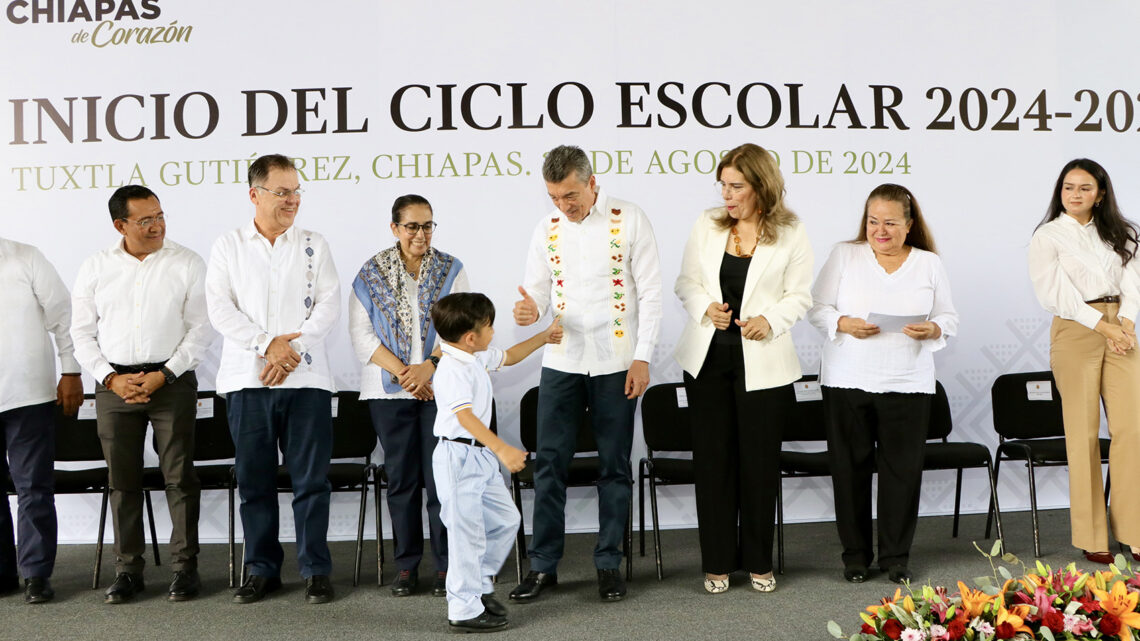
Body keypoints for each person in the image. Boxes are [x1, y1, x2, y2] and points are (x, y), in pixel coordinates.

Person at [510, 145, 662, 603]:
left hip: (617, 359)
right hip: (562, 360)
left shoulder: (630, 218)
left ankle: (609, 563)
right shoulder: (547, 228)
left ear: (592, 183)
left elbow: (652, 294)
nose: (564, 205)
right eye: (555, 197)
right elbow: (535, 290)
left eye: (570, 195)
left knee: (614, 465)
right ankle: (542, 566)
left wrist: (643, 357)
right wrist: (528, 309)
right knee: (550, 464)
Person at [673, 143, 813, 594]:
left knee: (758, 465)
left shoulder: (791, 231)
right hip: (707, 360)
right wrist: (705, 307)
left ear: (761, 186)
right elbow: (686, 282)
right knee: (713, 464)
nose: (727, 196)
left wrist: (769, 320)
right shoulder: (707, 225)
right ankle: (716, 562)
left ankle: (758, 560)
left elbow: (800, 296)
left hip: (765, 362)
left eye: (736, 187)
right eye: (723, 186)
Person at [205, 154, 341, 604]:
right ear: (255, 195)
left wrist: (291, 351)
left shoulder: (314, 243)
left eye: (296, 191)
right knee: (255, 482)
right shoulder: (228, 245)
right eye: (282, 192)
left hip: (307, 381)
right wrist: (268, 344)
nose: (292, 200)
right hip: (248, 381)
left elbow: (328, 306)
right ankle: (262, 569)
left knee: (311, 482)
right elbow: (220, 309)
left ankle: (315, 569)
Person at [807, 183, 957, 584]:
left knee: (901, 473)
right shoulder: (845, 255)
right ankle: (855, 556)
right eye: (874, 221)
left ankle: (895, 557)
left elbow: (949, 317)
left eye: (890, 222)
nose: (880, 230)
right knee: (849, 469)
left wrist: (933, 328)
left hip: (908, 382)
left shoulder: (928, 263)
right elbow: (817, 307)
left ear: (909, 225)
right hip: (847, 379)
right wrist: (842, 323)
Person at [71, 185, 214, 603]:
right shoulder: (96, 267)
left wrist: (165, 374)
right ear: (121, 225)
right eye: (146, 219)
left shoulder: (187, 262)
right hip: (113, 384)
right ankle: (128, 570)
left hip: (172, 381)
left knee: (180, 476)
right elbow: (81, 333)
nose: (158, 225)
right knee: (123, 480)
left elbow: (200, 330)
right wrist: (110, 378)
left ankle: (185, 568)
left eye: (160, 215)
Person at [349, 194, 468, 597]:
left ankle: (445, 567)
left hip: (439, 388)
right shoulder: (370, 273)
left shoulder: (452, 269)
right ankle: (406, 567)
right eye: (413, 226)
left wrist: (428, 367)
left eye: (428, 225)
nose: (421, 234)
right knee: (401, 482)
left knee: (441, 484)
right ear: (395, 228)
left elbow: (462, 330)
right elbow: (361, 336)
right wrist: (404, 372)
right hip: (389, 393)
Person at [1028, 158, 1140, 565]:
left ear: (1101, 192)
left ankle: (1134, 530)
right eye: (1068, 187)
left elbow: (1133, 280)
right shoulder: (1049, 235)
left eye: (1084, 188)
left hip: (1122, 329)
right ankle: (1093, 535)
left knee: (1133, 429)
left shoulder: (1123, 232)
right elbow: (1053, 293)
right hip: (1076, 329)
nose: (1075, 195)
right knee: (1084, 433)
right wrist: (1104, 327)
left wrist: (1125, 324)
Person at [430, 293, 561, 632]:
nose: (493, 332)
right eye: (489, 327)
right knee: (465, 535)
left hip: (479, 455)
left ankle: (478, 587)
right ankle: (463, 609)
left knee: (505, 520)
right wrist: (503, 449)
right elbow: (466, 417)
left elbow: (512, 355)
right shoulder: (451, 369)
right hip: (458, 457)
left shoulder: (472, 355)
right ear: (470, 337)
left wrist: (545, 336)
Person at [0, 238, 83, 603]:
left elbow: (64, 316)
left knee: (33, 488)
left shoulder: (25, 257)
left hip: (29, 394)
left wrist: (70, 370)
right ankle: (3, 575)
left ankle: (36, 574)